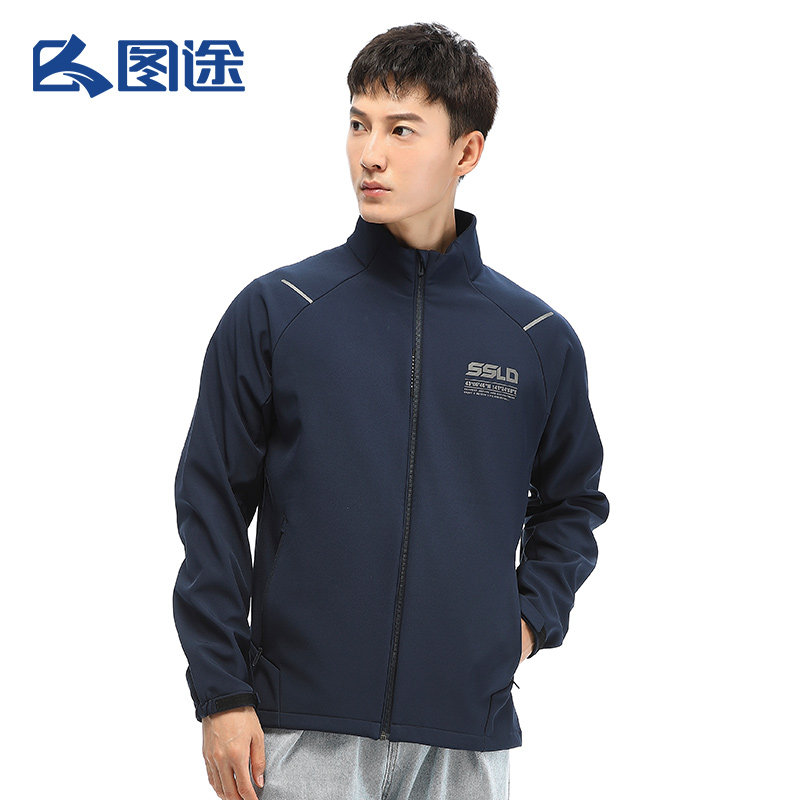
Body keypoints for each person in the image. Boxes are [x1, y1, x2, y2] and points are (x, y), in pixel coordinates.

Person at [173, 21, 610, 800]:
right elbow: (211, 503)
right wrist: (222, 692)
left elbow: (572, 501)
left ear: (467, 151)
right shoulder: (279, 311)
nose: (369, 154)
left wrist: (524, 624)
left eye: (401, 130)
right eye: (358, 124)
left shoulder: (536, 338)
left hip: (464, 735)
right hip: (299, 728)